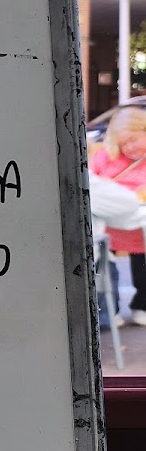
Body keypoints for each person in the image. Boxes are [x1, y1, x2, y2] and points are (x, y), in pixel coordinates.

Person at [90, 106, 146, 325]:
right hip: (110, 227)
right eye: (123, 143)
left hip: (139, 228)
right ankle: (108, 311)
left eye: (133, 140)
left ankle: (141, 306)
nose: (129, 147)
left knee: (142, 271)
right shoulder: (105, 156)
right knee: (106, 269)